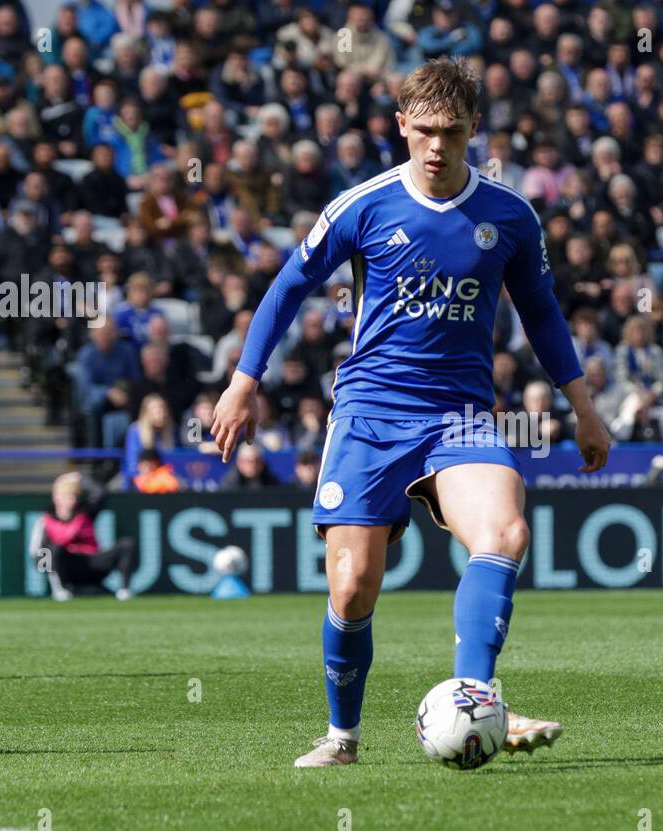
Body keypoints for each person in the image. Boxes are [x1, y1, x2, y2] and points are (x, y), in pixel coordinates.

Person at [210, 60, 611, 768]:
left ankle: (477, 695)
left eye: (451, 132)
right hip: (369, 413)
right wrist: (244, 381)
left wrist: (584, 407)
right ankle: (342, 738)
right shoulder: (362, 206)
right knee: (353, 583)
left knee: (505, 529)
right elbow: (286, 287)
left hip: (460, 416)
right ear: (400, 125)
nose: (435, 146)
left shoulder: (509, 215)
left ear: (473, 131)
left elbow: (542, 313)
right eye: (423, 130)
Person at [29, 471, 135, 601]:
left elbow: (100, 492)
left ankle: (124, 591)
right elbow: (38, 555)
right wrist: (52, 575)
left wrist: (78, 477)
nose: (70, 501)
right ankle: (61, 590)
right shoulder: (45, 520)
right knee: (56, 549)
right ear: (55, 497)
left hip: (91, 562)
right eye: (65, 496)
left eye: (73, 497)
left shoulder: (85, 512)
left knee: (127, 544)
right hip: (67, 568)